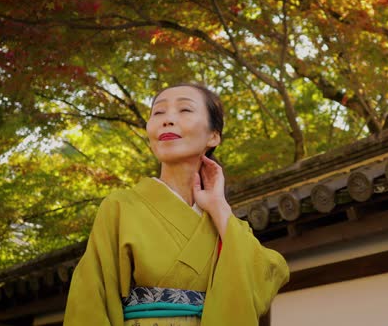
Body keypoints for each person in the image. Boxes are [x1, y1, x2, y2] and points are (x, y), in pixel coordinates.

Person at [63, 83, 290, 326]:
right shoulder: (120, 206)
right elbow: (89, 299)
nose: (167, 120)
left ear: (213, 136)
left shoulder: (227, 225)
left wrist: (219, 207)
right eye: (158, 113)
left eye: (184, 110)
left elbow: (269, 274)